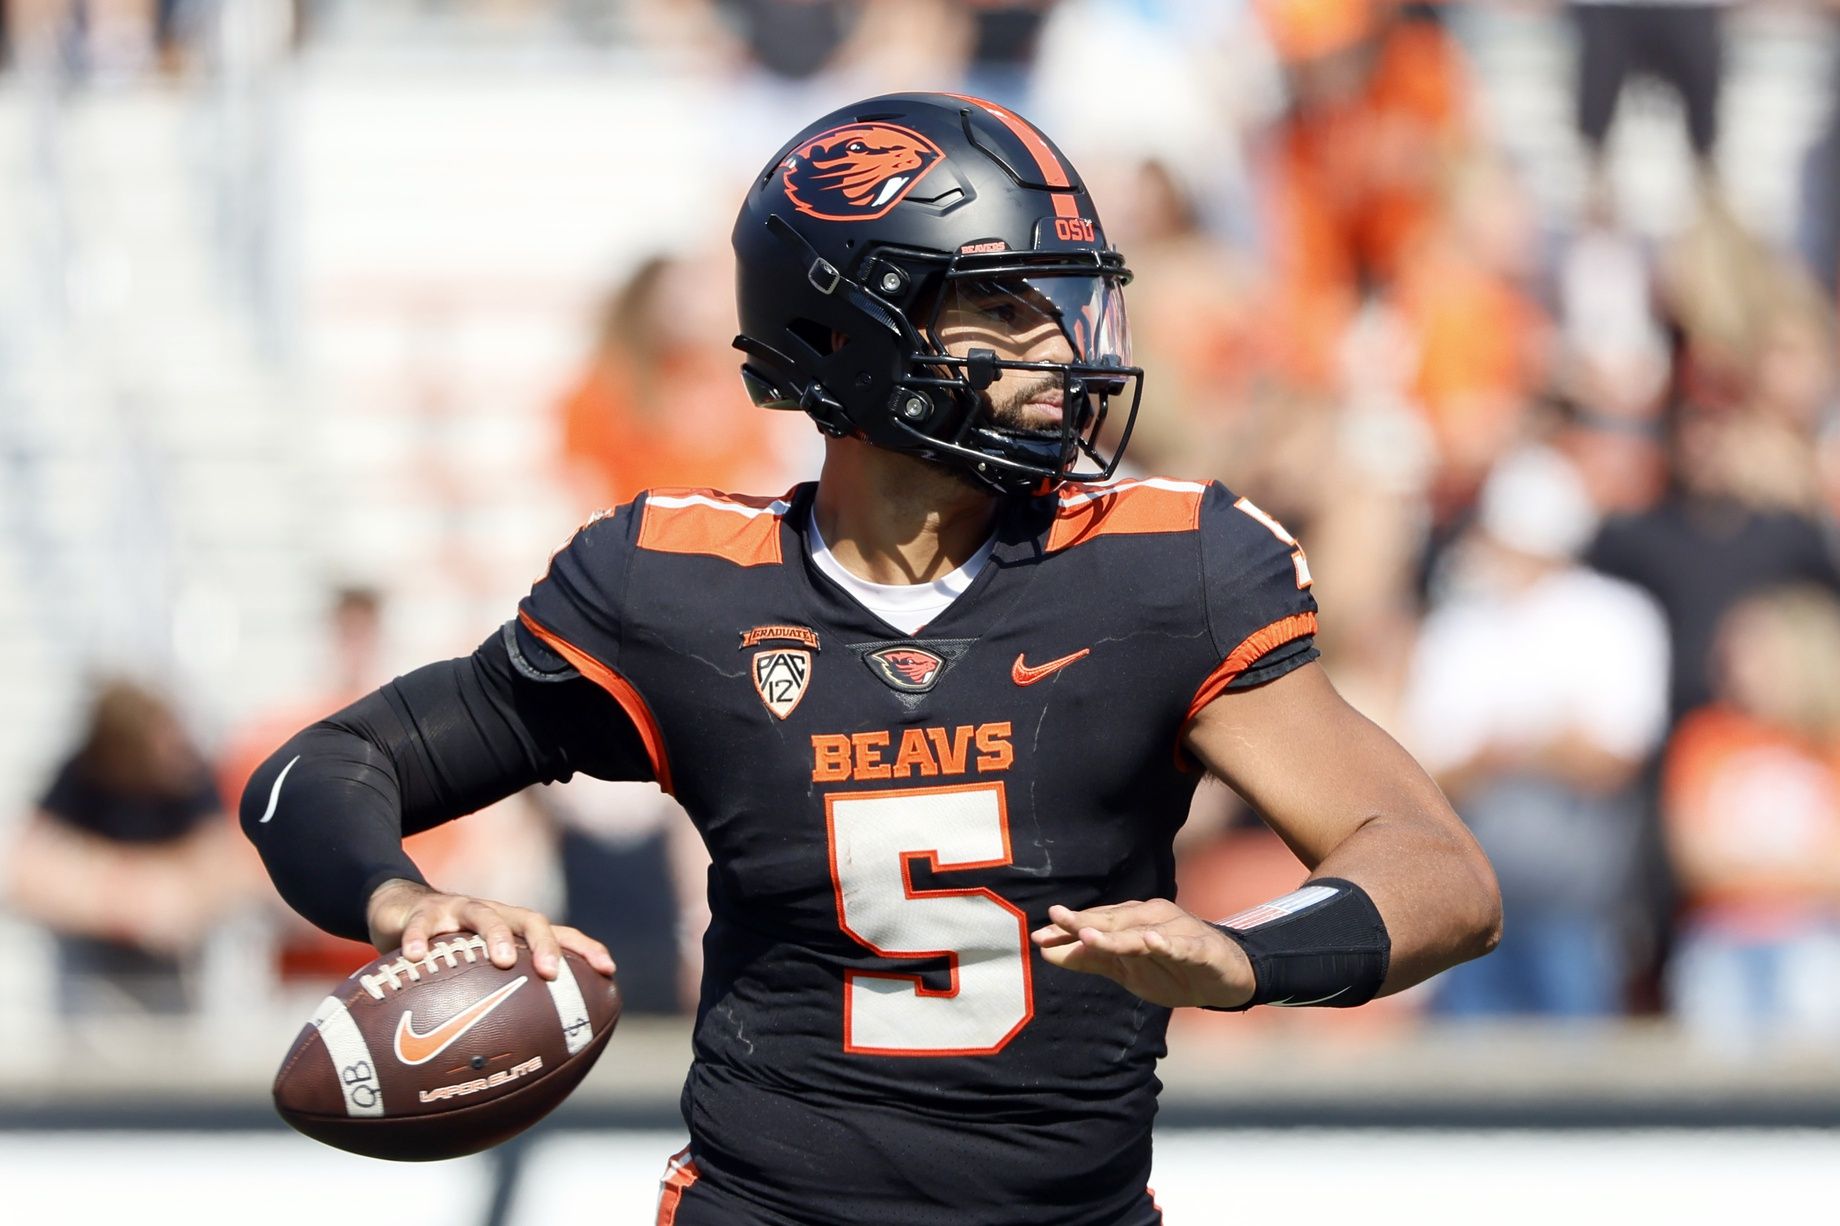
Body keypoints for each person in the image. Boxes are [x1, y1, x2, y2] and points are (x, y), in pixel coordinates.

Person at [241, 93, 1500, 1225]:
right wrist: (404, 904)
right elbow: (321, 771)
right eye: (1004, 307)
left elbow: (1437, 870)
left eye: (1062, 303)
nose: (1061, 349)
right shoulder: (673, 587)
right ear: (851, 330)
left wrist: (1244, 954)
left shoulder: (1161, 570)